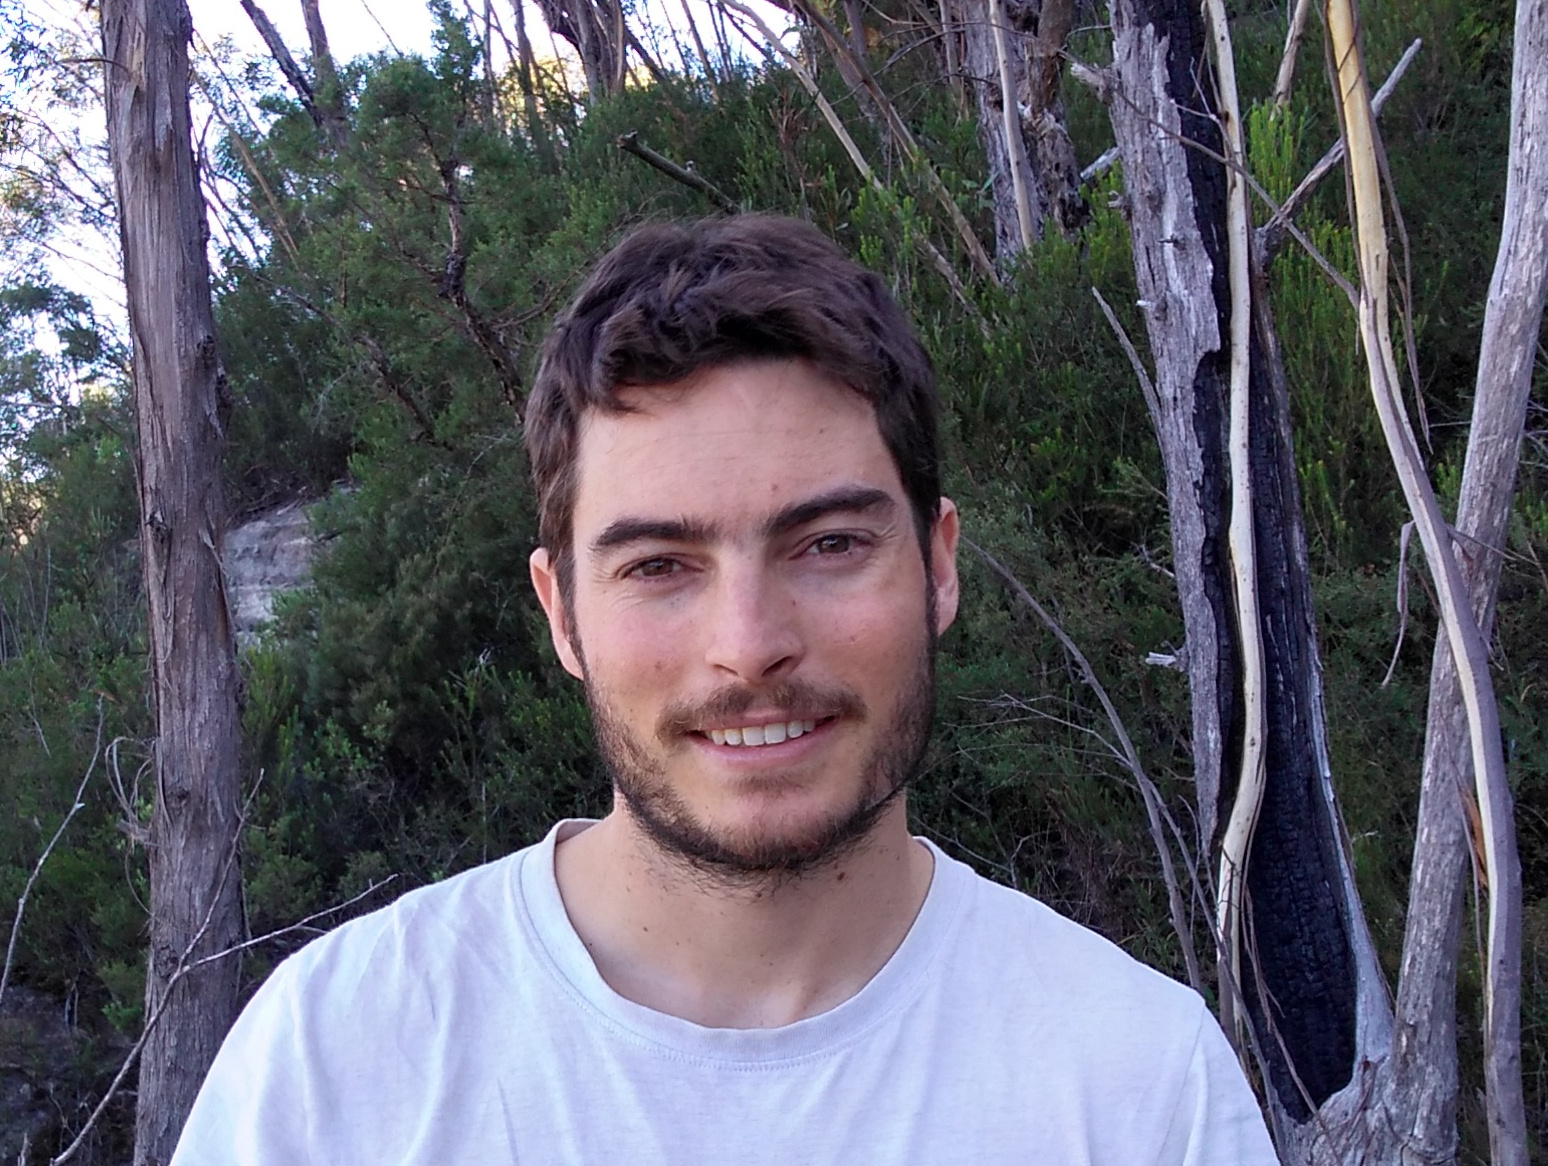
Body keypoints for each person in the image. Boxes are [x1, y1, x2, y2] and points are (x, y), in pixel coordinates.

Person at [171, 215, 1279, 1164]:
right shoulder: (329, 1066)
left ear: (939, 568)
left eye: (830, 544)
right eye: (659, 565)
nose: (749, 647)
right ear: (562, 612)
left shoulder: (1144, 1087)